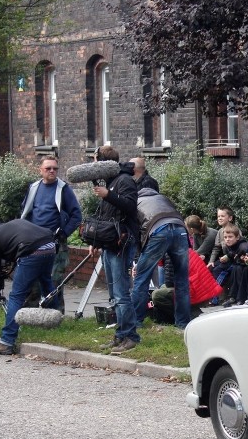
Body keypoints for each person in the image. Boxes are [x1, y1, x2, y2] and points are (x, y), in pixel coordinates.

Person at [0, 214, 56, 355]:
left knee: (16, 296)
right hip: (50, 245)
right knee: (46, 282)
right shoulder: (11, 225)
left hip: (31, 251)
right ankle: (54, 321)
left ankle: (6, 342)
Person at [90, 145, 141, 354]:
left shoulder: (125, 180)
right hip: (110, 243)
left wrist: (108, 194)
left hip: (123, 242)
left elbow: (130, 206)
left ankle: (131, 336)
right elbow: (105, 217)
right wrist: (96, 241)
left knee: (121, 293)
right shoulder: (112, 182)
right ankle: (120, 335)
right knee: (114, 294)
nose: (93, 165)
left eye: (95, 161)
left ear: (103, 162)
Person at [20, 156, 82, 312]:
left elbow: (76, 216)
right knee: (32, 279)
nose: (52, 171)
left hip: (55, 243)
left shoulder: (63, 189)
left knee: (54, 281)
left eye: (55, 168)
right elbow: (25, 212)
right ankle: (30, 314)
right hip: (34, 242)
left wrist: (64, 233)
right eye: (48, 168)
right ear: (40, 170)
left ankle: (55, 314)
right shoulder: (34, 187)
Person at [132, 188, 191, 328]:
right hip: (180, 229)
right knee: (182, 281)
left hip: (158, 230)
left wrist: (138, 260)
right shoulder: (163, 198)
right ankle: (183, 323)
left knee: (141, 279)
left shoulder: (135, 202)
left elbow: (136, 233)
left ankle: (135, 323)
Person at [151, 248, 222, 323]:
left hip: (198, 294)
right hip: (204, 292)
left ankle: (189, 315)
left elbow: (170, 283)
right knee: (162, 288)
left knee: (157, 295)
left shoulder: (170, 254)